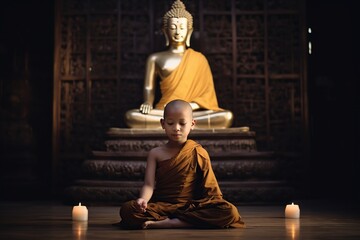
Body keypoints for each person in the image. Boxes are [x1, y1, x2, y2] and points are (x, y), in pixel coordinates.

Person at [119, 99, 245, 229]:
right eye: (170, 123)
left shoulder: (198, 152)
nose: (176, 128)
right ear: (163, 124)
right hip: (162, 206)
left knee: (230, 211)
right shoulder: (155, 153)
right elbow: (149, 185)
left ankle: (172, 223)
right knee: (127, 210)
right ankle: (185, 222)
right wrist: (143, 200)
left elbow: (211, 191)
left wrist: (209, 204)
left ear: (192, 124)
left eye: (182, 123)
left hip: (190, 207)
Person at [125, 0, 233, 129]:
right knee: (131, 116)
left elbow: (207, 96)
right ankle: (179, 124)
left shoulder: (199, 59)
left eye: (182, 27)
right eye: (173, 27)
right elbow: (149, 87)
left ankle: (175, 124)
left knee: (226, 117)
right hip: (164, 111)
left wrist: (188, 106)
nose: (177, 32)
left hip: (192, 112)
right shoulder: (155, 58)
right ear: (165, 31)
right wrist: (148, 102)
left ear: (189, 31)